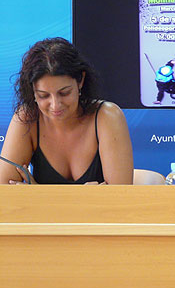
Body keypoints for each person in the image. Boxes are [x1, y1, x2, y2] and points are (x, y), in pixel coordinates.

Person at [0, 37, 134, 184]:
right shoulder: (27, 117)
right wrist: (85, 195)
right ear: (32, 91)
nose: (55, 105)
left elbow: (120, 194)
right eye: (44, 95)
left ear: (80, 81)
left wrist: (37, 192)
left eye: (64, 93)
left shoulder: (107, 116)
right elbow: (5, 190)